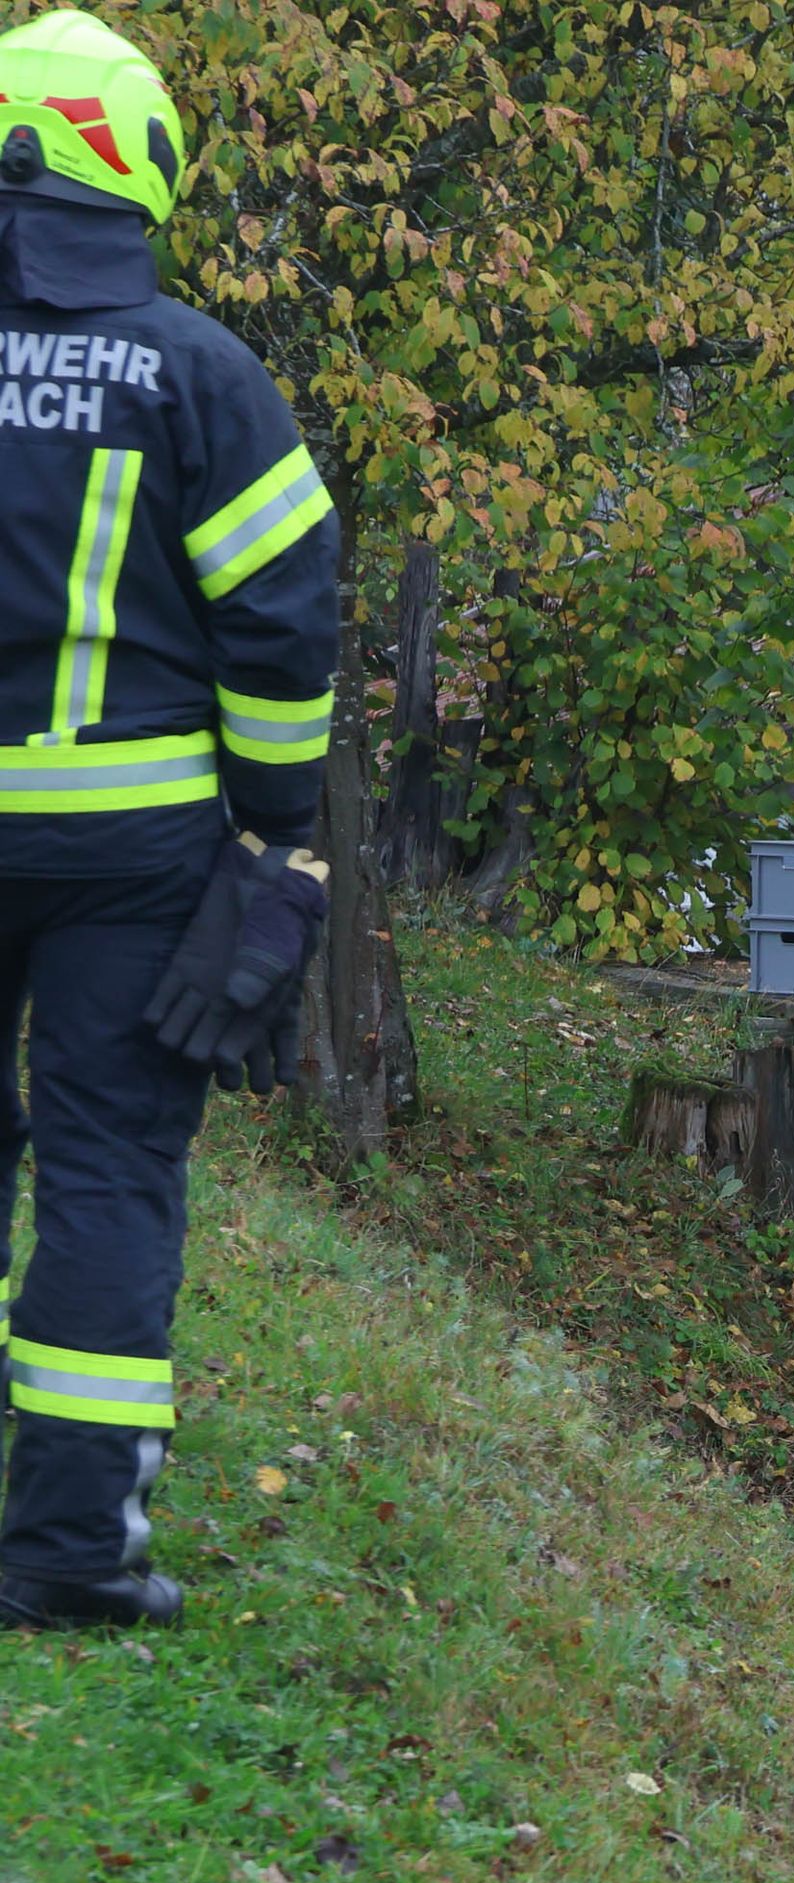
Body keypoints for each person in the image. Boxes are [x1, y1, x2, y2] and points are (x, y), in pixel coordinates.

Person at [0, 7, 335, 1630]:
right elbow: (284, 621)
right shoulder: (202, 374)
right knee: (111, 1170)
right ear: (138, 170)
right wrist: (277, 831)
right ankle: (69, 1557)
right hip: (131, 857)